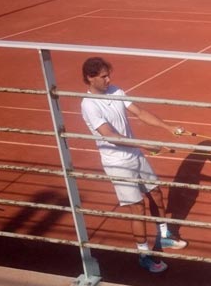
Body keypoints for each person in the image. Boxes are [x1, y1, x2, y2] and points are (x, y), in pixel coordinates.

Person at [80, 57, 187, 273]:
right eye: (103, 76)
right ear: (90, 78)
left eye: (108, 75)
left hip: (135, 154)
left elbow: (139, 112)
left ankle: (164, 236)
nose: (108, 79)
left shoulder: (116, 91)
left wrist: (168, 128)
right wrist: (143, 144)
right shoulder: (88, 105)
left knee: (156, 193)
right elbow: (109, 135)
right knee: (137, 207)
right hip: (117, 162)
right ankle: (144, 254)